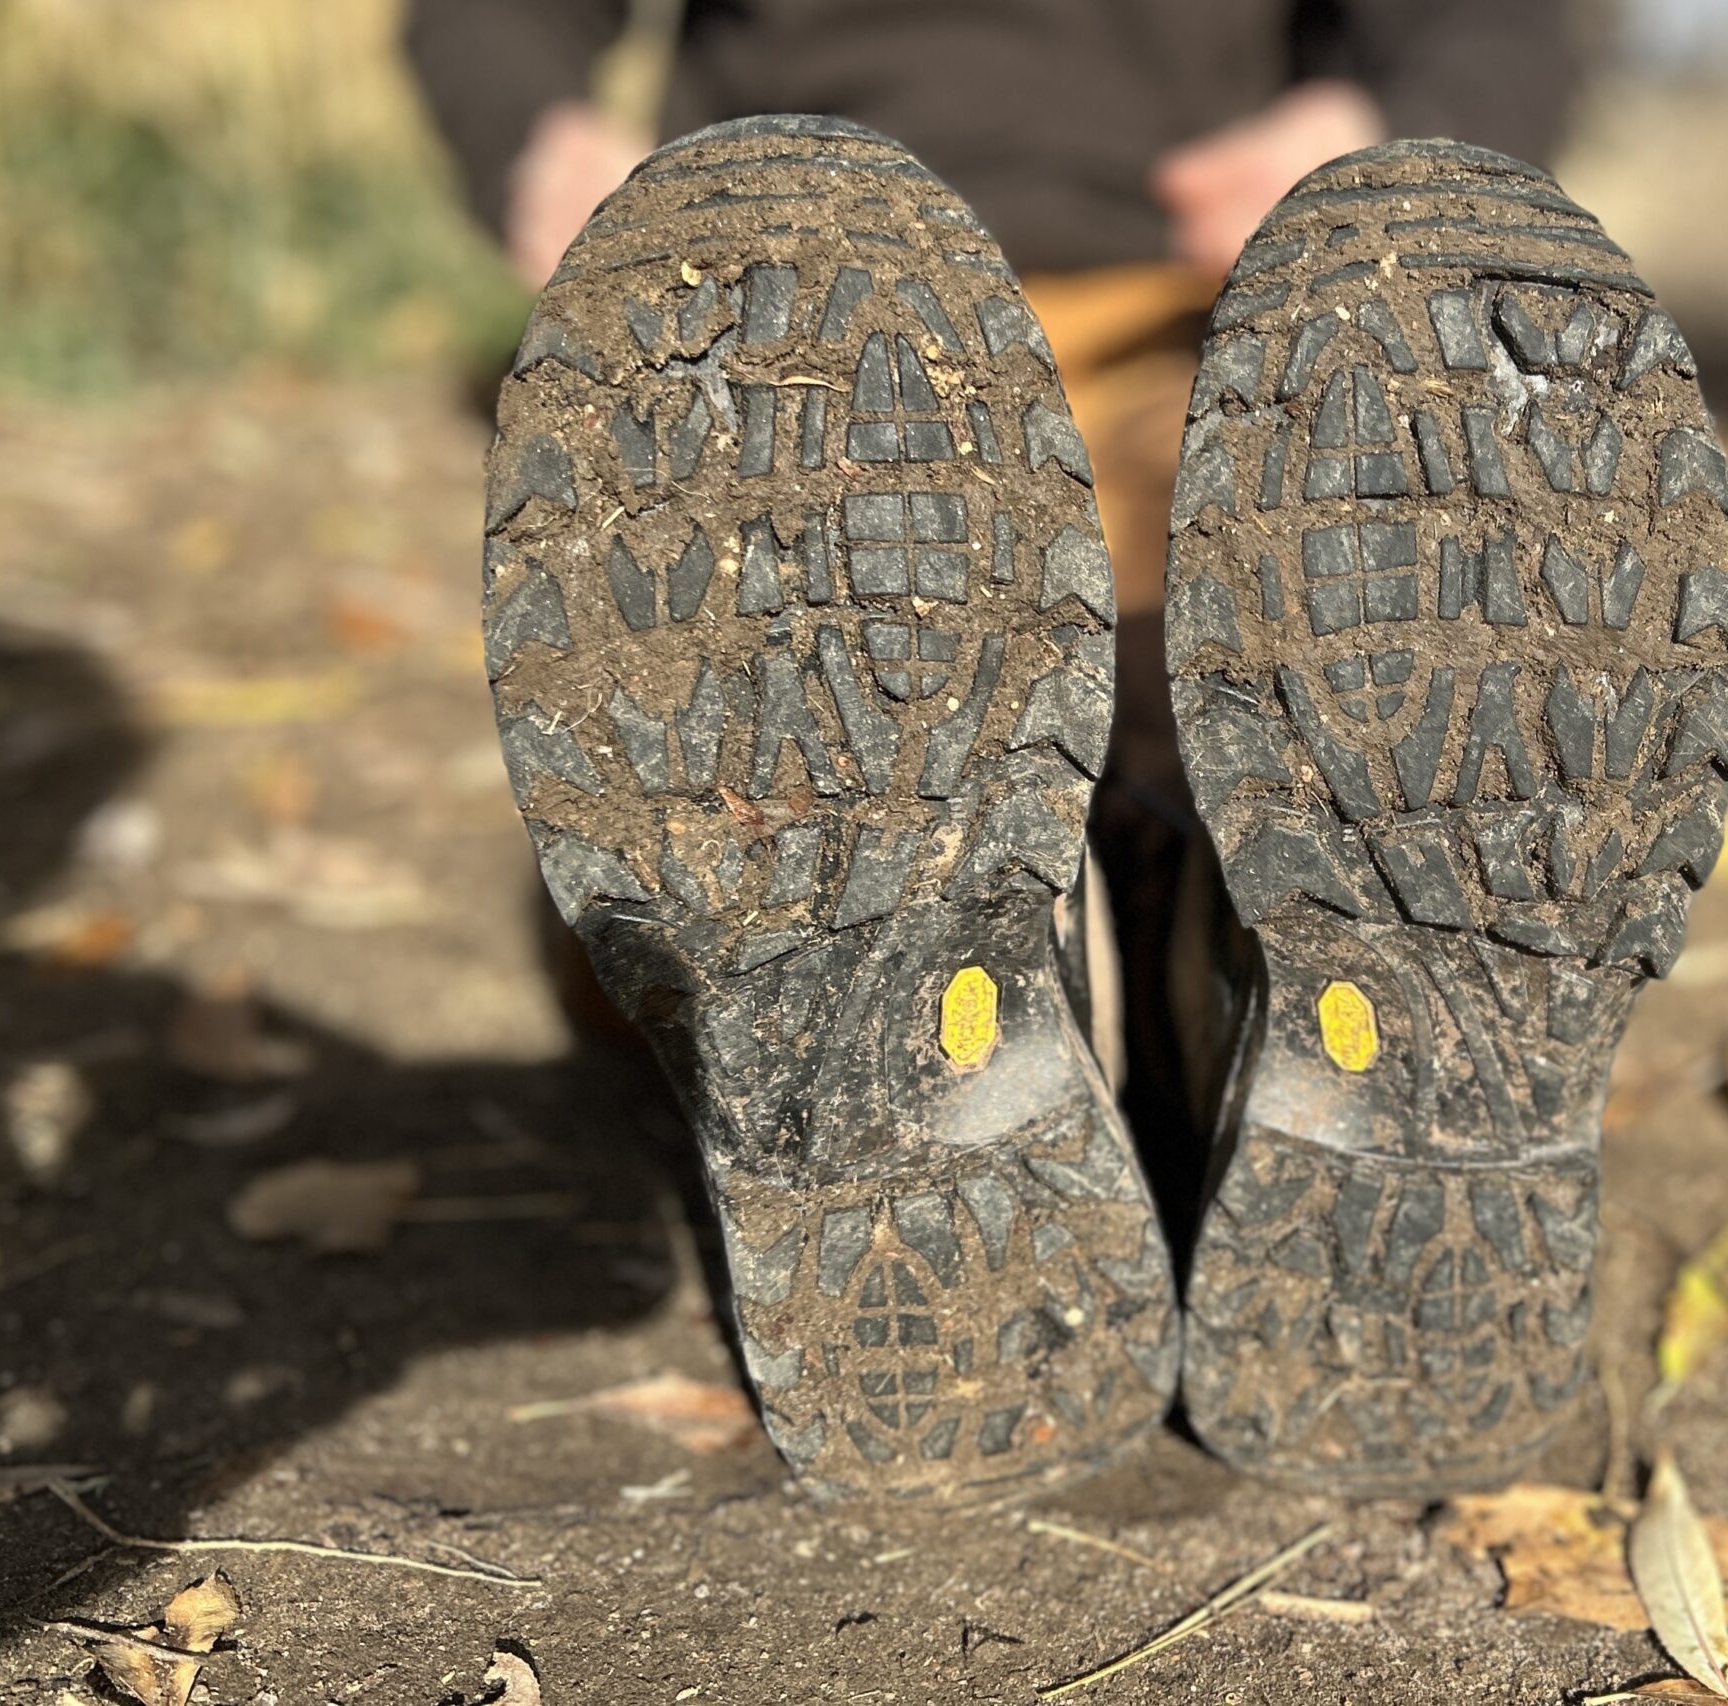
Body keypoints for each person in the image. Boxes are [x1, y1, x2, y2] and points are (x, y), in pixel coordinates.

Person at [406, 0, 1582, 1173]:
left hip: (1180, 297)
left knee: (1219, 619)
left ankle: (1145, 943)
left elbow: (1494, 27)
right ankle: (1166, 971)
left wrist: (1377, 134)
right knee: (832, 671)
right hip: (789, 316)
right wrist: (545, 140)